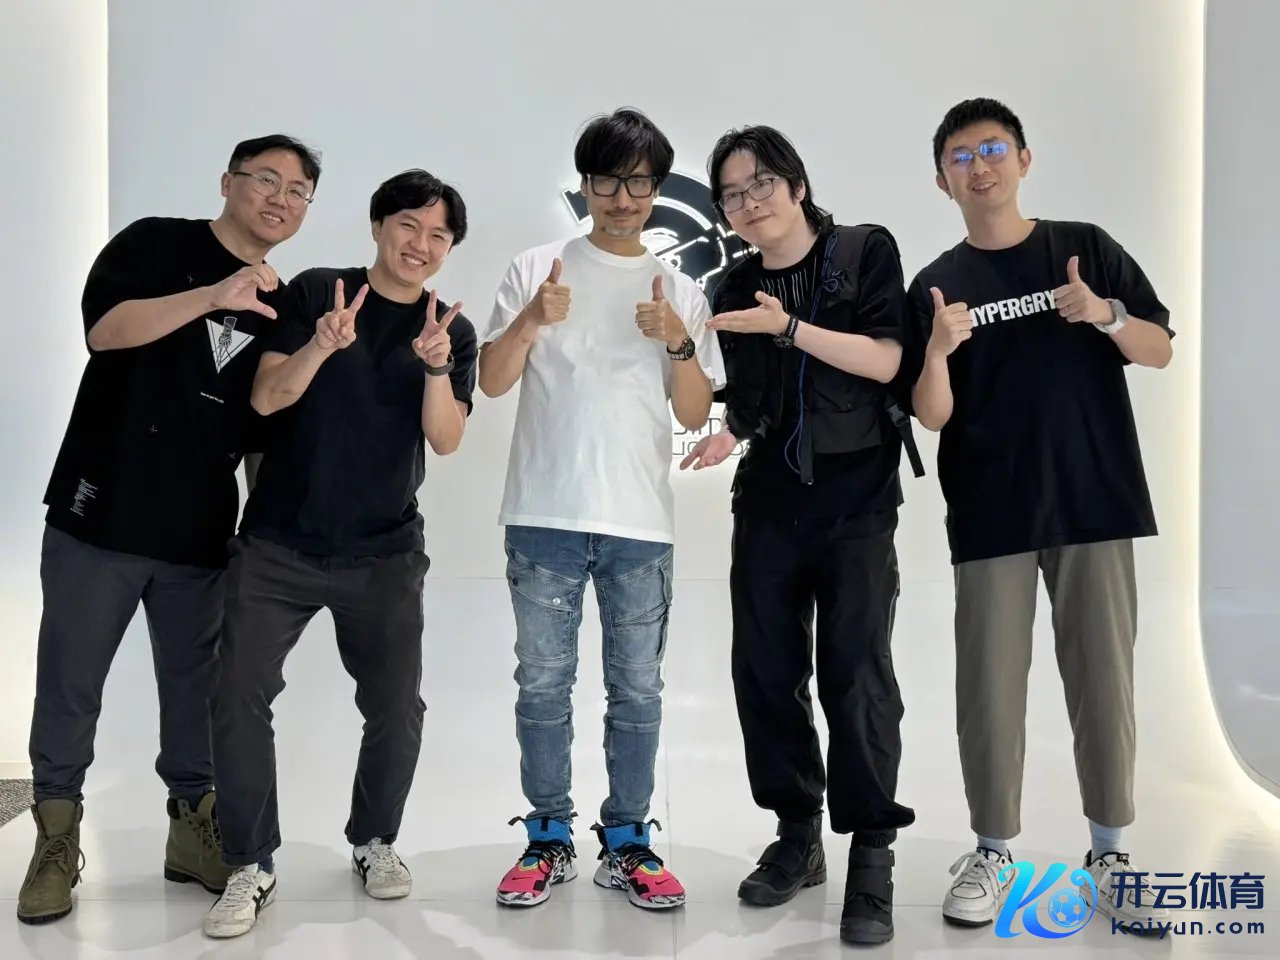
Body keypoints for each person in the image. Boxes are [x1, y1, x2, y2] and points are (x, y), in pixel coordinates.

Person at [18, 135, 320, 925]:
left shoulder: (283, 305)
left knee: (197, 695)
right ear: (228, 181)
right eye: (266, 179)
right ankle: (55, 838)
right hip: (99, 516)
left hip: (199, 535)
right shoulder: (153, 244)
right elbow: (105, 330)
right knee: (71, 682)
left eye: (297, 191)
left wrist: (266, 537)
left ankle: (192, 832)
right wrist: (213, 295)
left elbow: (262, 427)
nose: (280, 198)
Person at [906, 97, 1174, 929]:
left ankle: (1111, 853)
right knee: (988, 689)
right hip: (991, 510)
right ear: (943, 180)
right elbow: (931, 415)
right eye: (960, 157)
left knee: (1105, 681)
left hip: (1095, 499)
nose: (978, 167)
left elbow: (1160, 348)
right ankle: (993, 850)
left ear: (1023, 159)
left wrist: (1105, 313)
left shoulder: (1082, 248)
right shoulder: (937, 283)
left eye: (992, 149)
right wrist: (938, 350)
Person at [201, 169, 477, 938]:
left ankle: (374, 839)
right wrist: (321, 344)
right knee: (237, 695)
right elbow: (267, 398)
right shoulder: (319, 291)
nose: (420, 244)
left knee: (396, 707)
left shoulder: (449, 331)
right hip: (278, 543)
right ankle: (250, 863)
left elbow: (447, 439)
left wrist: (434, 366)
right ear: (379, 226)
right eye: (409, 225)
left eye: (438, 235)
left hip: (383, 553)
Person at [478, 107, 724, 911]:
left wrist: (676, 340)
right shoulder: (537, 268)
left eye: (639, 182)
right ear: (585, 184)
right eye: (609, 181)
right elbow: (492, 382)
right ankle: (547, 836)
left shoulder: (680, 290)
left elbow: (694, 412)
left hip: (639, 522)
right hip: (544, 515)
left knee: (638, 692)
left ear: (657, 188)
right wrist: (532, 318)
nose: (623, 198)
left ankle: (627, 842)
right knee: (542, 687)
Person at [680, 125, 918, 945]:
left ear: (797, 184)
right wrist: (730, 432)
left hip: (857, 503)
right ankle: (796, 833)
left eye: (760, 185)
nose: (748, 204)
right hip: (769, 505)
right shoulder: (733, 283)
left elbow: (886, 362)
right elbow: (753, 400)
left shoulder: (863, 251)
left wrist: (788, 329)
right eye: (731, 195)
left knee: (856, 674)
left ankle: (873, 852)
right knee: (766, 670)